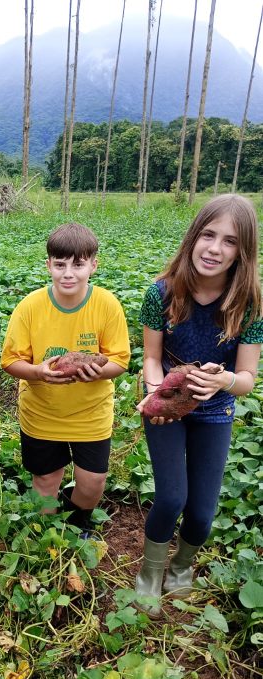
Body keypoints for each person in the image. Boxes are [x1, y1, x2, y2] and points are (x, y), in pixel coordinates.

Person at [135, 194, 263, 618]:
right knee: (172, 497)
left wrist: (223, 380)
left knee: (203, 513)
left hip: (215, 412)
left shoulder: (250, 305)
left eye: (228, 242)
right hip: (168, 406)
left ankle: (182, 565)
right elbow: (152, 357)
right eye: (207, 235)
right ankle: (150, 574)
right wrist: (158, 392)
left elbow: (246, 379)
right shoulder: (163, 293)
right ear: (192, 238)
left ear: (242, 253)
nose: (214, 248)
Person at [0, 222, 130, 535]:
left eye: (78, 264)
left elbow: (120, 360)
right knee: (46, 480)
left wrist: (96, 371)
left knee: (92, 482)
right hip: (42, 412)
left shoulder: (107, 305)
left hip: (90, 413)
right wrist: (37, 373)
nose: (68, 273)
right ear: (48, 266)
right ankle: (49, 532)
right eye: (60, 265)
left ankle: (76, 523)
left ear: (93, 265)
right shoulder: (30, 307)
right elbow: (9, 361)